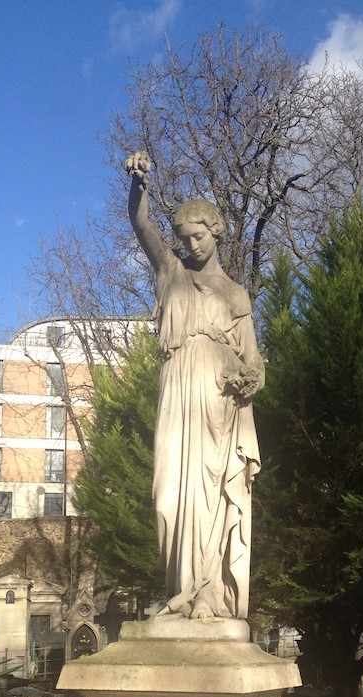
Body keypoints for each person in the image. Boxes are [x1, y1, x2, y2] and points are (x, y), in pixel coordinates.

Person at [124, 150, 264, 620]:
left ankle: (207, 593)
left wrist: (251, 380)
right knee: (169, 493)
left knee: (209, 496)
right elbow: (142, 228)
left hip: (218, 402)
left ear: (216, 233)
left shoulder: (235, 294)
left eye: (198, 237)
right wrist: (139, 188)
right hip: (178, 390)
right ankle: (181, 588)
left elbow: (254, 360)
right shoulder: (172, 273)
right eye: (184, 239)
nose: (191, 246)